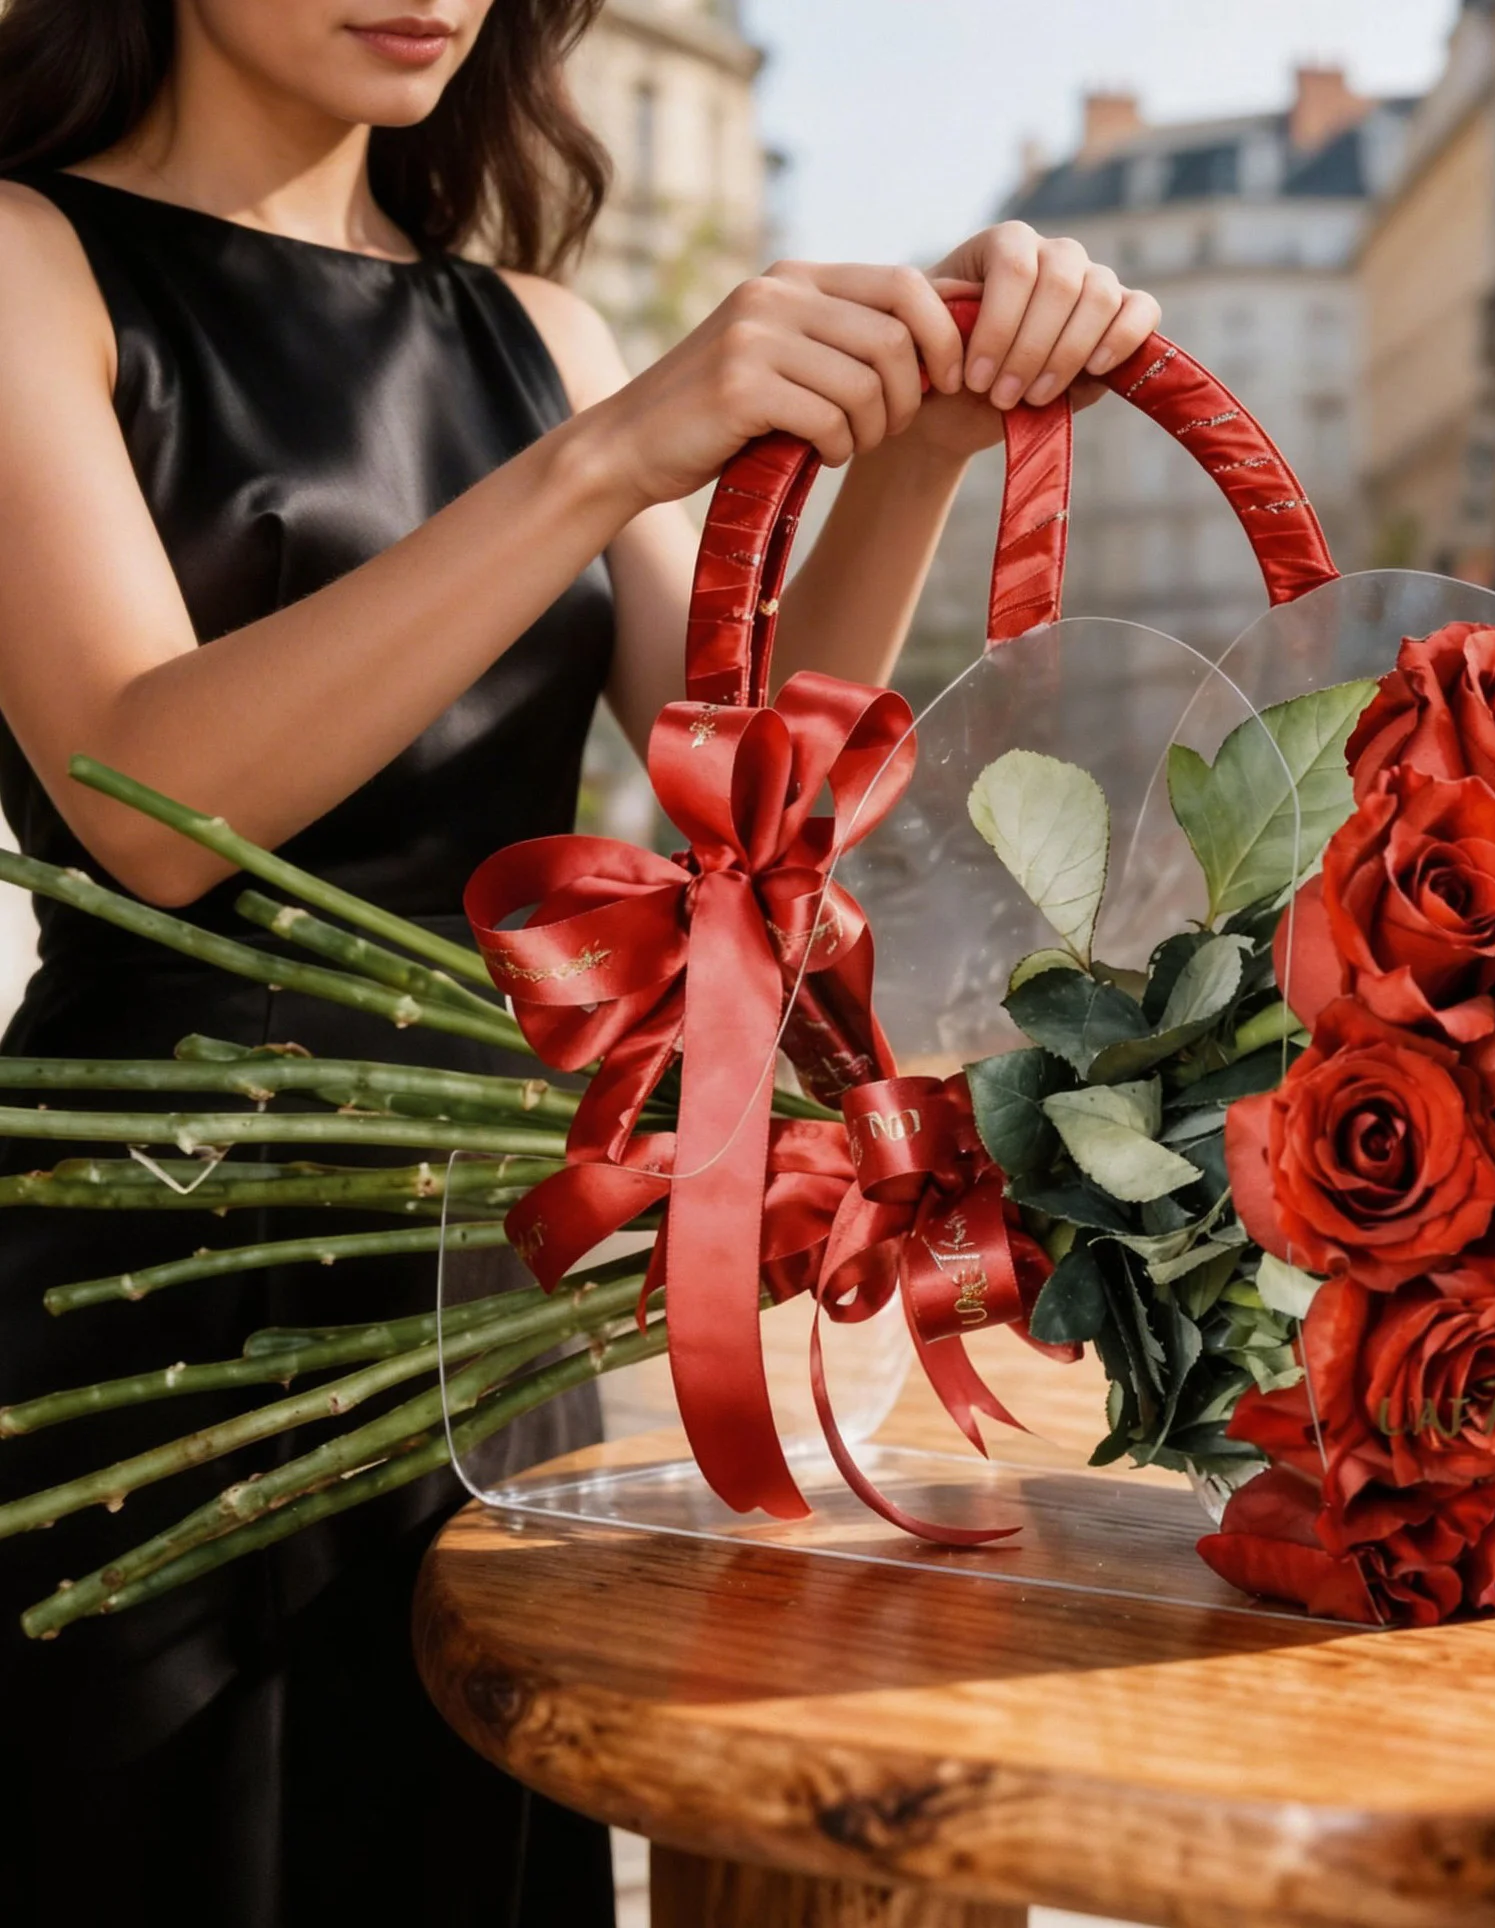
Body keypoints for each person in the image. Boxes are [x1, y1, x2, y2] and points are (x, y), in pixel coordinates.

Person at [0, 3, 1160, 1923]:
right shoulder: (33, 256)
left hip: (476, 1280)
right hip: (147, 1266)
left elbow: (755, 812)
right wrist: (609, 456)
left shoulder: (534, 329)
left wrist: (926, 453)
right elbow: (140, 790)